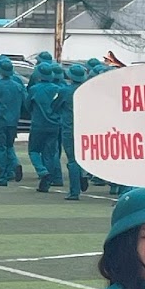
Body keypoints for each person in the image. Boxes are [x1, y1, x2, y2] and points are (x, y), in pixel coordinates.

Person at [0, 57, 27, 186]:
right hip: (13, 120)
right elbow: (25, 102)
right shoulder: (18, 86)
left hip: (0, 120)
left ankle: (2, 176)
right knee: (9, 146)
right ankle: (14, 164)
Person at [26, 60, 63, 192]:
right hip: (54, 125)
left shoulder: (34, 89)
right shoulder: (58, 89)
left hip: (39, 124)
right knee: (49, 153)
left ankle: (42, 171)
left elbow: (27, 105)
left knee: (33, 151)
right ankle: (48, 181)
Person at [56, 63, 88, 201]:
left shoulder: (65, 91)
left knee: (72, 160)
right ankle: (83, 175)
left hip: (70, 128)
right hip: (86, 129)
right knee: (84, 157)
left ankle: (74, 191)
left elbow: (55, 106)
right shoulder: (89, 91)